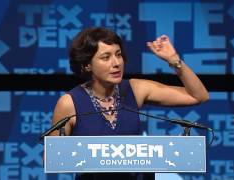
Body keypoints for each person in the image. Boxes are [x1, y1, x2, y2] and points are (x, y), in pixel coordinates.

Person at [50, 27, 209, 180]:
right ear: (87, 65)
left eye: (118, 55)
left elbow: (198, 96)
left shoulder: (135, 89)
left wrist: (174, 60)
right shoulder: (69, 103)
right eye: (106, 57)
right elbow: (50, 157)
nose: (116, 63)